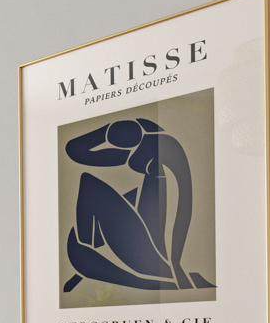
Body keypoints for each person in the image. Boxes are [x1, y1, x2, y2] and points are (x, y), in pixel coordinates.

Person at [62, 116, 212, 295]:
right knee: (128, 194)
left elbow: (182, 211)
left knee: (90, 184)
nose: (130, 162)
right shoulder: (152, 150)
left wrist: (175, 264)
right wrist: (107, 132)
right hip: (150, 252)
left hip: (150, 257)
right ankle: (89, 256)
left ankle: (87, 252)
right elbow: (74, 151)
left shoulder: (160, 153)